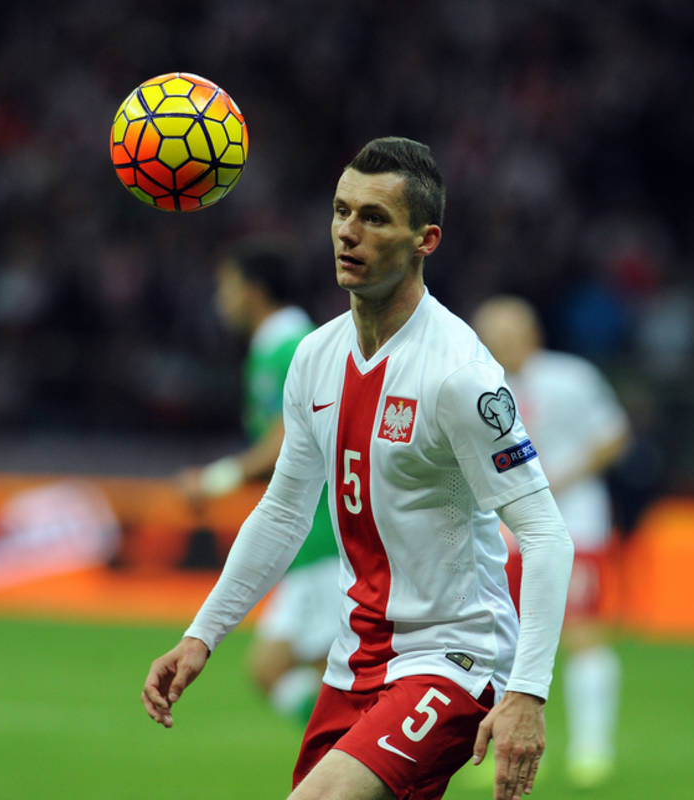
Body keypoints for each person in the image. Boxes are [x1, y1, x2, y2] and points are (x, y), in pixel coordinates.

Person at [142, 137, 574, 800]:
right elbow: (283, 512)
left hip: (454, 659)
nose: (348, 231)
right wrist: (201, 636)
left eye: (374, 217)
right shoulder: (315, 359)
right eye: (342, 211)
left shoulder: (460, 376)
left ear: (425, 240)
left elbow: (546, 534)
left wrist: (527, 693)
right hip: (353, 663)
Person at [174, 241, 339, 723]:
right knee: (276, 671)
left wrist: (216, 479)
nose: (220, 299)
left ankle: (360, 759)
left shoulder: (290, 347)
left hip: (324, 535)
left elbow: (289, 436)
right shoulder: (278, 345)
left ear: (254, 290)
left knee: (323, 680)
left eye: (226, 286)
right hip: (308, 538)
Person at [472, 295, 631, 789]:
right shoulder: (476, 383)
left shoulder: (572, 378)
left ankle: (592, 749)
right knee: (498, 637)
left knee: (583, 631)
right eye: (492, 334)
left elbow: (614, 436)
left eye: (509, 333)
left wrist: (561, 478)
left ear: (533, 333)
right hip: (504, 532)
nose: (501, 343)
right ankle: (491, 750)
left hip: (574, 524)